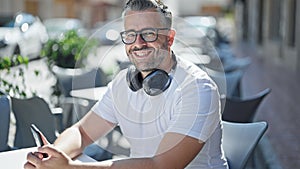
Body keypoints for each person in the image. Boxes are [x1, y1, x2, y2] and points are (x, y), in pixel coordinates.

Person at [24, 0, 229, 168]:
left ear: (169, 39)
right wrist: (52, 158)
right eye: (130, 35)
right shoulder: (123, 83)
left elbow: (161, 166)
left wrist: (70, 168)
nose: (138, 43)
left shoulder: (198, 89)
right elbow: (82, 132)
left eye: (149, 33)